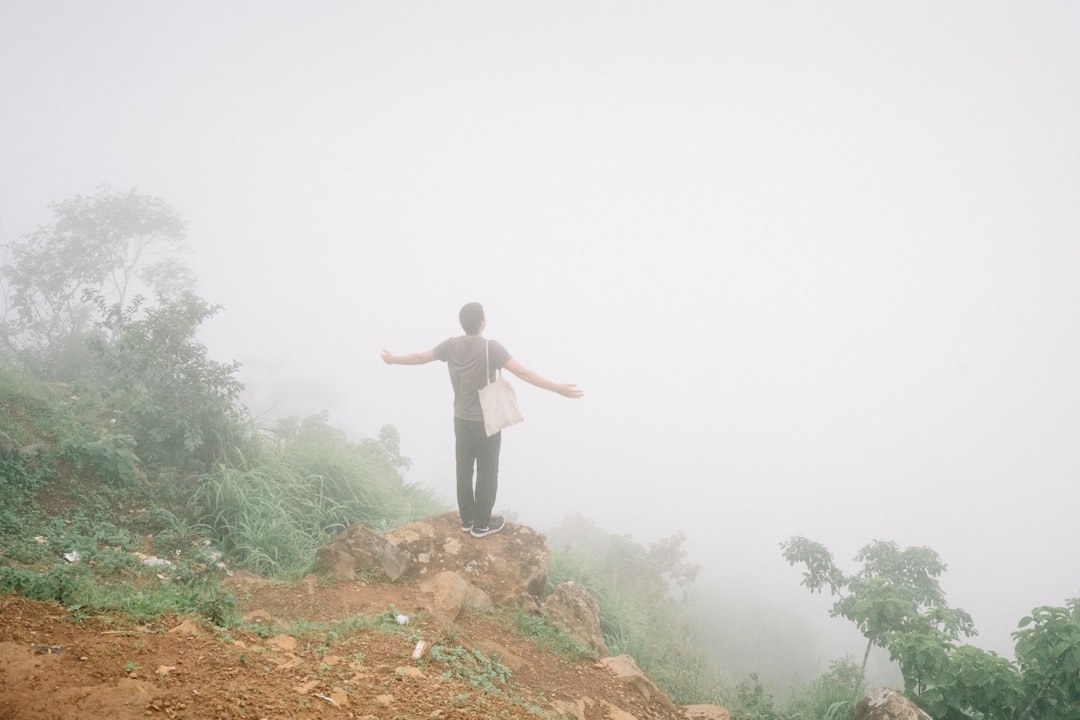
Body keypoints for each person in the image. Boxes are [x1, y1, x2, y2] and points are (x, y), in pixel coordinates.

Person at [381, 302, 583, 538]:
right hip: (487, 422)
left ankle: (467, 520)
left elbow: (419, 357)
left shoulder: (450, 345)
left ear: (462, 323)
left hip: (461, 420)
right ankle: (481, 525)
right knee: (487, 471)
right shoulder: (491, 348)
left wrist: (393, 359)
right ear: (482, 323)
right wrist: (557, 388)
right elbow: (524, 373)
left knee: (464, 469)